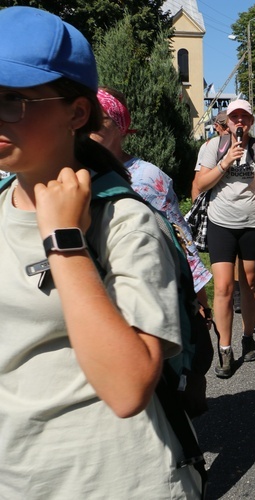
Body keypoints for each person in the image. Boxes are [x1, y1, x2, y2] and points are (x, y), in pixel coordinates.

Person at [0, 6, 201, 497]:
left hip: (118, 480)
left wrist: (64, 241)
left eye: (11, 100)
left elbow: (128, 387)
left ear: (77, 112)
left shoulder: (125, 221)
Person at [91, 86, 212, 308]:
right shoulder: (75, 174)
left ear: (120, 126)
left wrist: (201, 310)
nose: (91, 124)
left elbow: (182, 244)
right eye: (86, 115)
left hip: (146, 298)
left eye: (100, 117)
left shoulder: (147, 178)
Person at [194, 99, 255, 378]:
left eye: (244, 118)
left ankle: (248, 336)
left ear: (250, 122)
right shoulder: (212, 147)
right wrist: (225, 162)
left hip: (254, 223)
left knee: (249, 283)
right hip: (221, 223)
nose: (239, 122)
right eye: (234, 117)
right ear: (228, 121)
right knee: (223, 287)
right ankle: (225, 348)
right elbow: (201, 183)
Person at [192, 110, 229, 201]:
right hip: (214, 203)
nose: (228, 129)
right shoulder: (208, 147)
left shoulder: (243, 146)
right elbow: (197, 182)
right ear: (217, 126)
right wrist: (195, 209)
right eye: (224, 126)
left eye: (230, 125)